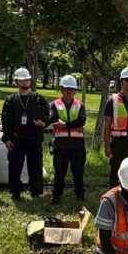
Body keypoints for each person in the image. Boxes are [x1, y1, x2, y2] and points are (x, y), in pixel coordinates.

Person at [1, 67, 48, 200]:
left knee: (36, 166)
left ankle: (36, 191)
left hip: (34, 138)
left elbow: (49, 117)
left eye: (27, 80)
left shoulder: (38, 98)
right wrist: (6, 139)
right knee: (15, 166)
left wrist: (43, 124)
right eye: (22, 80)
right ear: (16, 81)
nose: (25, 83)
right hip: (17, 139)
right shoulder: (10, 100)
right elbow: (6, 122)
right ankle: (15, 191)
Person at [49, 74, 87, 203]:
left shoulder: (79, 104)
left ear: (75, 90)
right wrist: (72, 125)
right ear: (62, 89)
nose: (69, 91)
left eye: (72, 89)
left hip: (77, 145)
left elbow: (81, 121)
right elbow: (53, 119)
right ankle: (57, 195)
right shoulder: (54, 104)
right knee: (59, 172)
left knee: (78, 172)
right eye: (67, 89)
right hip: (61, 145)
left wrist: (64, 125)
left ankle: (80, 195)